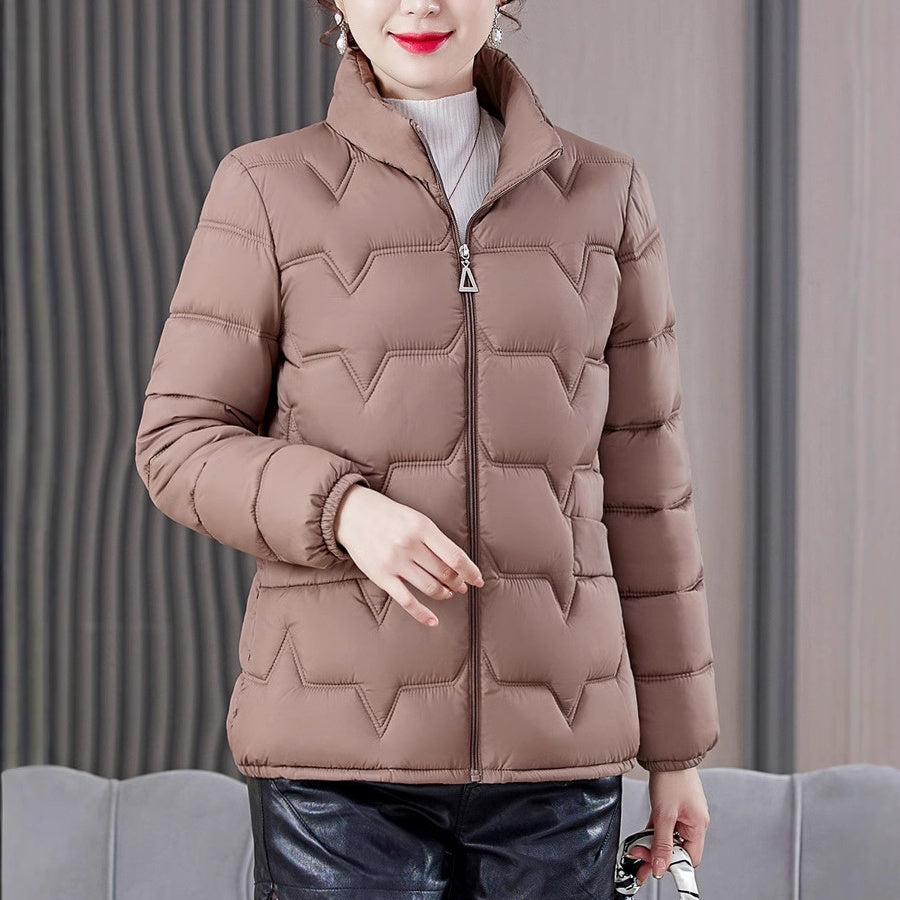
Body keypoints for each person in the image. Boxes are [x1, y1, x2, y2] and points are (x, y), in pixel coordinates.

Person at [134, 1, 720, 897]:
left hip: (558, 771)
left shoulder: (606, 192)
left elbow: (649, 492)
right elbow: (178, 441)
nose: (418, 3)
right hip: (337, 779)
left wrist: (676, 753)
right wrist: (342, 510)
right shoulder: (266, 187)